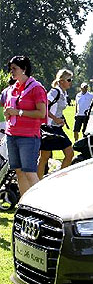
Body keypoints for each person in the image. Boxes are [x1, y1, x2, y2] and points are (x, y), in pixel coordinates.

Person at [1, 55, 47, 196]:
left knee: (29, 171)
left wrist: (18, 112)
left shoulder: (36, 88)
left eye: (14, 68)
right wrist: (8, 112)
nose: (11, 72)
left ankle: (41, 203)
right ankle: (25, 204)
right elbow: (6, 104)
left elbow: (41, 113)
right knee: (19, 172)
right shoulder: (12, 89)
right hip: (11, 135)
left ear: (24, 69)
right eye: (10, 69)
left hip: (28, 137)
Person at [38, 68, 75, 178]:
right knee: (45, 157)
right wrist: (55, 118)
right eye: (69, 80)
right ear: (61, 81)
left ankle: (58, 178)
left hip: (57, 128)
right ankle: (37, 183)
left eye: (71, 79)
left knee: (69, 153)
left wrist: (60, 119)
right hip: (49, 128)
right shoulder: (55, 91)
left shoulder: (63, 92)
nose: (71, 82)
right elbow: (43, 106)